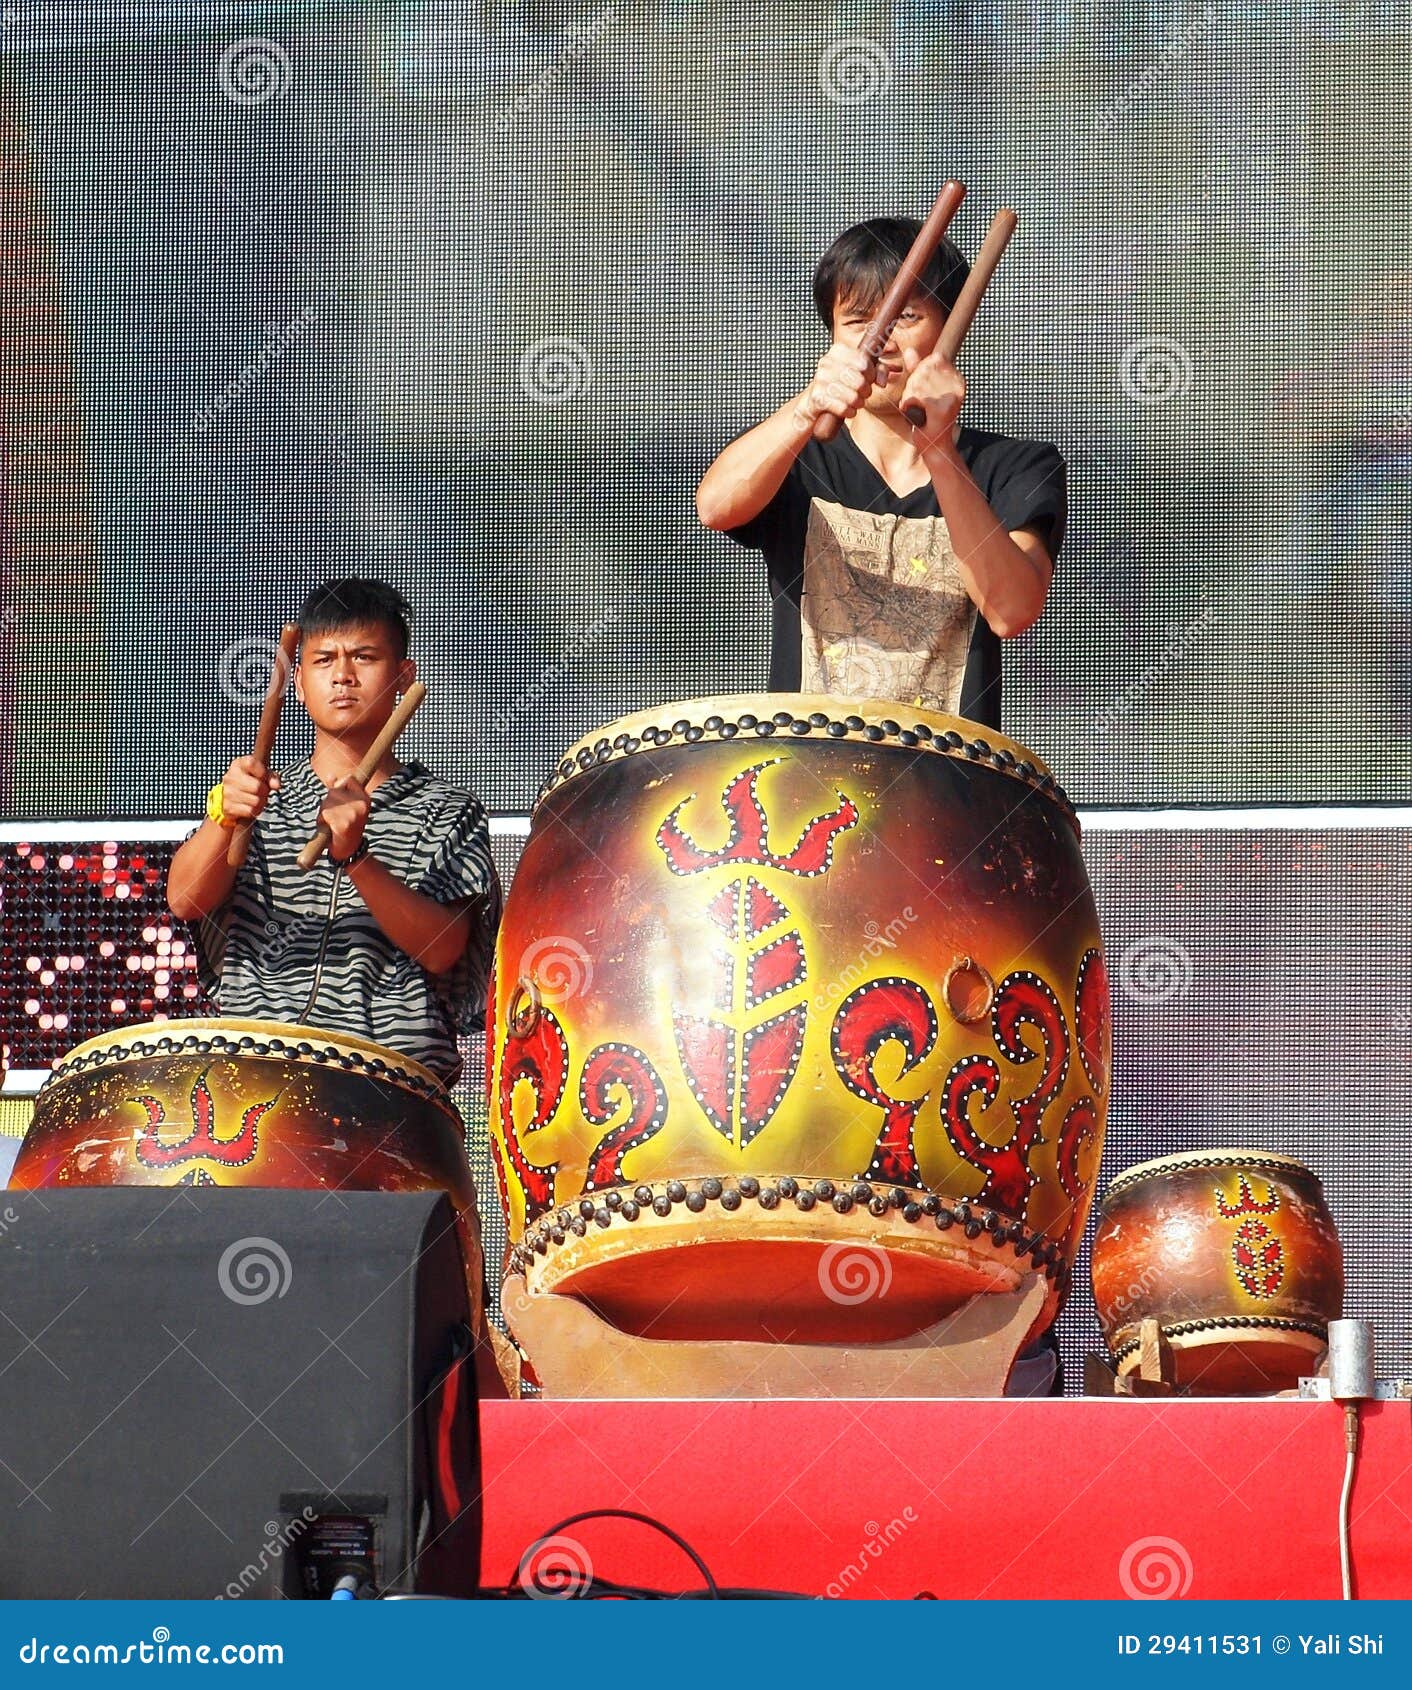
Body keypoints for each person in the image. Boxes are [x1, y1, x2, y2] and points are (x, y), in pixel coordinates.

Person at [696, 216, 1067, 729]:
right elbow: (716, 507)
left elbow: (1010, 610)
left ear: (951, 326)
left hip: (948, 771)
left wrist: (938, 450)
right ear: (832, 336)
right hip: (809, 761)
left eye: (906, 316)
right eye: (857, 321)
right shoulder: (797, 455)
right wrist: (807, 407)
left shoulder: (1012, 467)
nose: (881, 341)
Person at [168, 578, 500, 1087]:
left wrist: (357, 858)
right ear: (298, 683)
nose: (343, 675)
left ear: (403, 676)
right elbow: (185, 900)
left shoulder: (447, 811)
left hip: (389, 1088)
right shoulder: (259, 800)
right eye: (324, 660)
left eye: (364, 657)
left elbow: (442, 948)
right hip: (254, 1082)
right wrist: (224, 819)